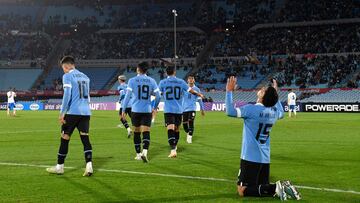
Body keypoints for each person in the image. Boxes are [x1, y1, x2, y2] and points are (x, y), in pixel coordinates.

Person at [225, 76, 301, 200]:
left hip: (250, 156)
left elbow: (229, 111)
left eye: (264, 90)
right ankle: (280, 188)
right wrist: (275, 95)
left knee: (242, 190)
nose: (261, 89)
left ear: (263, 96)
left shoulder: (251, 109)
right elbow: (281, 113)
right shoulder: (274, 113)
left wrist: (229, 91)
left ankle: (276, 187)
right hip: (265, 157)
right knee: (260, 187)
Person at [46, 56, 93, 176]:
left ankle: (59, 167)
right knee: (85, 139)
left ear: (66, 66)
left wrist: (62, 113)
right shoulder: (86, 77)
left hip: (73, 112)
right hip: (86, 112)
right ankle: (89, 166)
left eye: (63, 68)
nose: (63, 71)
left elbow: (67, 95)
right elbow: (88, 97)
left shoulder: (67, 76)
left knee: (65, 138)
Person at [159, 66, 204, 158]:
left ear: (166, 73)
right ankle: (175, 147)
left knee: (170, 128)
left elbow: (157, 94)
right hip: (179, 110)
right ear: (175, 72)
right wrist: (198, 94)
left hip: (168, 109)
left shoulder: (162, 82)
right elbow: (191, 91)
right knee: (176, 129)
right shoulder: (181, 82)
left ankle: (173, 149)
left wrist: (154, 106)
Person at [121, 62, 160, 163]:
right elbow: (158, 96)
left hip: (135, 110)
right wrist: (154, 107)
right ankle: (145, 152)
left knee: (137, 133)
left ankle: (138, 154)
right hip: (147, 110)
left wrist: (124, 110)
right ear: (146, 70)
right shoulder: (151, 80)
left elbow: (127, 96)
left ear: (138, 69)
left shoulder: (132, 80)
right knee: (146, 132)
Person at [182, 75, 205, 144]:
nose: (191, 80)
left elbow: (200, 100)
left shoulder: (197, 89)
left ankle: (189, 137)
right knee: (185, 124)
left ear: (194, 80)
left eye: (192, 78)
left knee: (191, 121)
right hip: (184, 109)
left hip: (192, 108)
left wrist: (202, 109)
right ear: (187, 80)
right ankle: (188, 132)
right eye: (189, 78)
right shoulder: (184, 88)